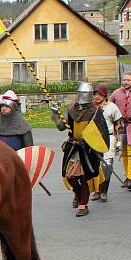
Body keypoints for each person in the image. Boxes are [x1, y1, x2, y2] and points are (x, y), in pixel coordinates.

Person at [51, 82, 110, 216]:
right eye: (80, 93)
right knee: (71, 177)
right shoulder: (71, 109)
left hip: (88, 149)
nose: (82, 96)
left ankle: (83, 205)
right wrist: (55, 114)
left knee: (85, 178)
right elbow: (61, 127)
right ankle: (78, 194)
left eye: (85, 94)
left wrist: (95, 147)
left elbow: (100, 132)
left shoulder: (95, 111)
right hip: (73, 148)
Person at [0, 90, 33, 242]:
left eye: (6, 107)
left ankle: (19, 229)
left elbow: (29, 150)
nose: (3, 109)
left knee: (15, 203)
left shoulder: (23, 126)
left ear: (14, 108)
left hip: (14, 169)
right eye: (2, 106)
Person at [92, 84, 122, 201]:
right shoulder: (91, 108)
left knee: (107, 165)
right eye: (96, 94)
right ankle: (96, 191)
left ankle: (104, 191)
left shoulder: (112, 107)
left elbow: (119, 125)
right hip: (94, 139)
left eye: (100, 94)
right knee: (95, 166)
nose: (97, 97)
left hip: (109, 138)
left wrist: (118, 141)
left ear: (105, 95)